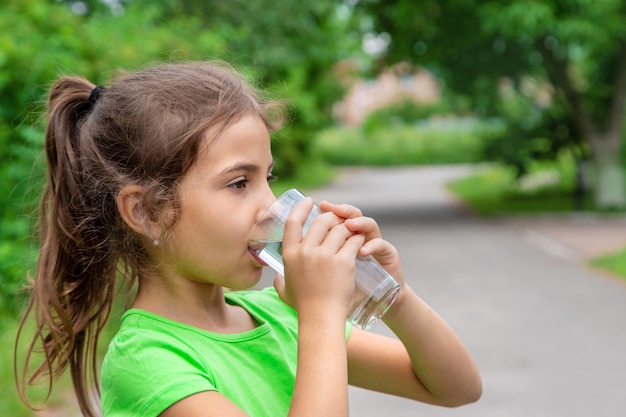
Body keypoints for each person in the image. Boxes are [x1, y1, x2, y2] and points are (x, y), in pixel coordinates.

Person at [15, 61, 481, 417]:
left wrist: (392, 296)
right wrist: (321, 313)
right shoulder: (149, 363)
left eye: (269, 177)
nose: (271, 206)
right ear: (148, 213)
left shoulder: (278, 318)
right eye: (239, 183)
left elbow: (455, 387)